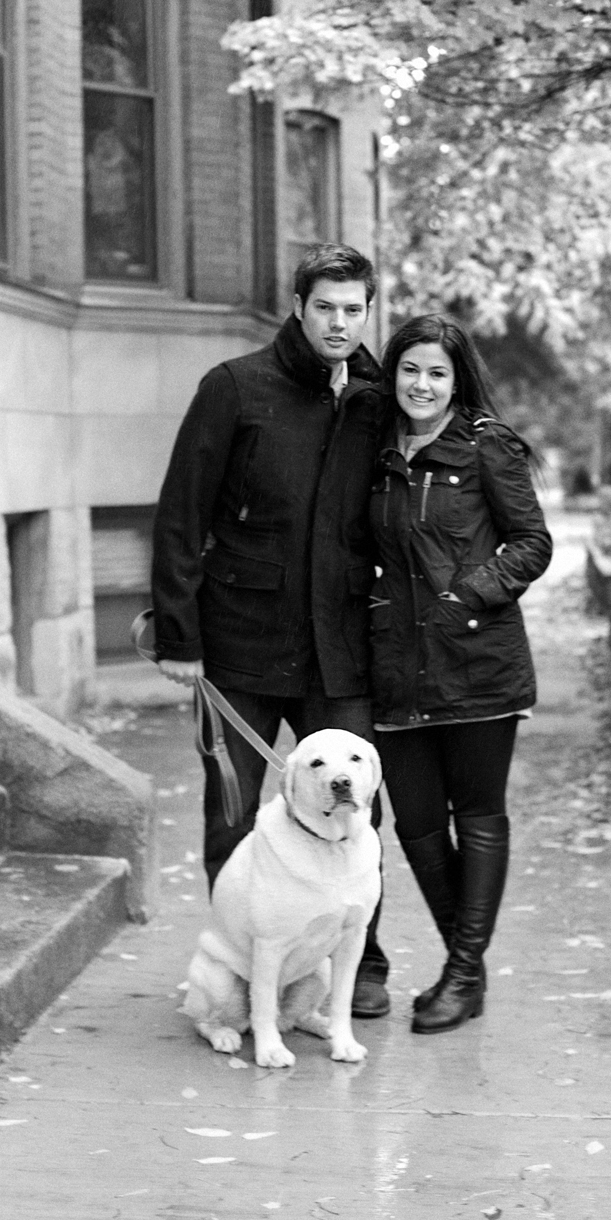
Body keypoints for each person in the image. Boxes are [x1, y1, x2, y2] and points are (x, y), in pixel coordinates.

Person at [150, 243, 390, 1017]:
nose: (339, 323)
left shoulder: (377, 398)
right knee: (233, 815)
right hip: (239, 646)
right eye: (325, 307)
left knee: (357, 807)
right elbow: (182, 513)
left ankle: (362, 961)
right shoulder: (234, 388)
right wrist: (180, 636)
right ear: (298, 307)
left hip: (337, 649)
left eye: (353, 310)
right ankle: (236, 969)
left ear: (368, 313)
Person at [368, 314, 552, 1034]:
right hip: (396, 664)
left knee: (476, 816)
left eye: (437, 373)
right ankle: (465, 969)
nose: (422, 384)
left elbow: (532, 542)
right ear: (394, 373)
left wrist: (467, 594)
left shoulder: (485, 446)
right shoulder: (375, 447)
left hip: (477, 662)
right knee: (416, 824)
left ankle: (463, 972)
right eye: (411, 369)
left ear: (456, 379)